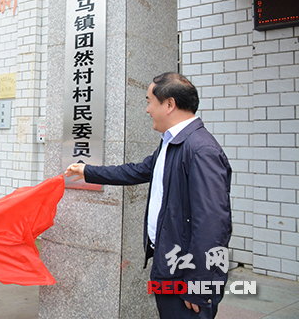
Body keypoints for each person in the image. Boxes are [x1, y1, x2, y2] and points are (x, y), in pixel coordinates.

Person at [65, 73, 232, 319]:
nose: (146, 109)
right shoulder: (172, 142)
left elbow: (213, 223)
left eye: (149, 101)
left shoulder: (201, 149)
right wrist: (88, 171)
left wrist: (200, 284)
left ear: (169, 104)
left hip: (188, 275)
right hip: (169, 262)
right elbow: (137, 170)